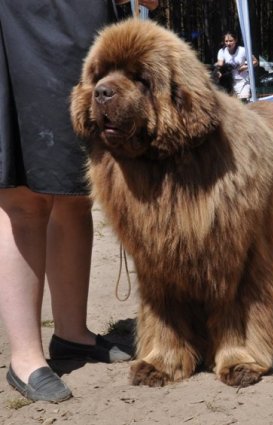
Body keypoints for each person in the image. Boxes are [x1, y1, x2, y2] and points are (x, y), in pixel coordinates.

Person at [0, 0, 133, 403]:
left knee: (78, 189)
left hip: (85, 21)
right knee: (24, 197)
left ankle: (72, 335)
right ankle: (25, 359)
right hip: (17, 19)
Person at [216, 31, 258, 102]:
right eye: (226, 41)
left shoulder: (243, 50)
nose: (228, 43)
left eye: (231, 41)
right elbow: (220, 64)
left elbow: (255, 62)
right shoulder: (222, 51)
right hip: (229, 83)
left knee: (243, 102)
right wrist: (218, 71)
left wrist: (246, 67)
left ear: (235, 40)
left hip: (243, 81)